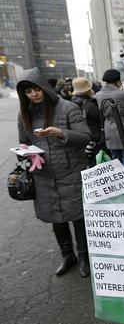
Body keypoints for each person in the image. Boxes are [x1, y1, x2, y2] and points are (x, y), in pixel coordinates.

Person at [16, 68, 92, 277]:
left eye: (36, 89)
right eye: (28, 92)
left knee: (78, 217)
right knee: (56, 218)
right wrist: (25, 153)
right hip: (43, 175)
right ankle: (68, 256)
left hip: (70, 172)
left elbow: (86, 136)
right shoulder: (25, 114)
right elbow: (23, 143)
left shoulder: (67, 108)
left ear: (44, 87)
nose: (33, 94)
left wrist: (60, 133)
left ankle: (85, 257)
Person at [95, 69, 124, 173]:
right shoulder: (122, 94)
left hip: (109, 127)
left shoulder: (98, 95)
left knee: (115, 158)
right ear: (117, 80)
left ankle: (119, 180)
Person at [71, 77, 103, 167]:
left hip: (81, 141)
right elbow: (101, 119)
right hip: (94, 140)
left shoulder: (72, 103)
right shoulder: (90, 105)